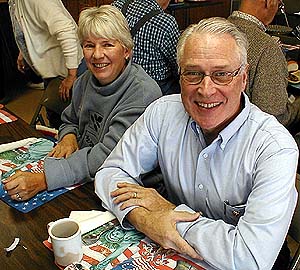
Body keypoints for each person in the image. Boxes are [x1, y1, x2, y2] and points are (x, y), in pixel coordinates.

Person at [95, 17, 298, 270]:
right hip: (172, 253)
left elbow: (250, 258)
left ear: (243, 78)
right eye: (193, 73)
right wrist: (145, 219)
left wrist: (167, 211)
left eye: (221, 75)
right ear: (179, 76)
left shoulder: (274, 148)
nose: (206, 89)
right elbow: (109, 173)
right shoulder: (162, 113)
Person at [2, 5, 162, 201]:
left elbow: (106, 156)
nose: (97, 54)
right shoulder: (85, 80)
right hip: (85, 177)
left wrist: (44, 179)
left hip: (126, 186)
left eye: (107, 45)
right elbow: (69, 119)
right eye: (89, 45)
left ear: (126, 50)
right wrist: (69, 136)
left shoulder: (142, 93)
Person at [8, 0, 85, 128]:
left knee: (71, 124)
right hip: (54, 71)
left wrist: (71, 75)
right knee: (57, 120)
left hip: (70, 70)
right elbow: (29, 27)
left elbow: (67, 31)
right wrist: (24, 51)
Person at [228, 0, 300, 132]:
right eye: (279, 5)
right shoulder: (267, 48)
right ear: (269, 2)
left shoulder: (217, 32)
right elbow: (275, 118)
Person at [112, 0, 181, 95]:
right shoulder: (165, 23)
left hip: (118, 80)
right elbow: (178, 65)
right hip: (155, 87)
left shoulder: (117, 6)